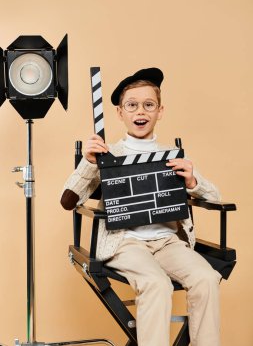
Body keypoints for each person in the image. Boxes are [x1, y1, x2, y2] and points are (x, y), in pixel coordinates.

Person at [61, 67, 221, 346]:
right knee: (156, 284)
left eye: (149, 105)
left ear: (160, 111)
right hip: (125, 243)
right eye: (132, 105)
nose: (141, 112)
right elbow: (68, 200)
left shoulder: (171, 155)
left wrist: (193, 181)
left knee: (207, 277)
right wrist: (88, 161)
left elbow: (215, 198)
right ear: (120, 112)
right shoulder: (107, 154)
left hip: (169, 242)